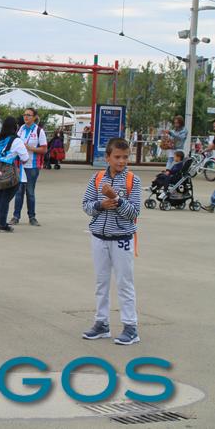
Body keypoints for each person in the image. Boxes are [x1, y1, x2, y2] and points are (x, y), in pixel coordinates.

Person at [81, 138, 141, 345]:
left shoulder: (133, 180)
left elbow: (134, 212)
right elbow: (86, 205)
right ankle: (101, 323)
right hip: (99, 237)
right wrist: (100, 204)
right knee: (101, 282)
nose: (121, 161)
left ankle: (130, 327)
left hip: (122, 239)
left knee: (124, 283)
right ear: (107, 157)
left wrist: (116, 199)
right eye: (117, 157)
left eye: (125, 157)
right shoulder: (97, 178)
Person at [0, 117, 29, 232]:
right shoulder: (16, 141)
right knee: (5, 198)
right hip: (10, 172)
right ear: (15, 127)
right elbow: (25, 158)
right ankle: (2, 225)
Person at [10, 107, 47, 227]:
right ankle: (16, 217)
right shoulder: (20, 129)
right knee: (18, 192)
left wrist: (29, 148)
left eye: (29, 115)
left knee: (30, 192)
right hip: (20, 165)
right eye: (24, 114)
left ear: (34, 117)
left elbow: (44, 149)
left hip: (32, 166)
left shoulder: (39, 131)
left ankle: (32, 217)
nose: (26, 117)